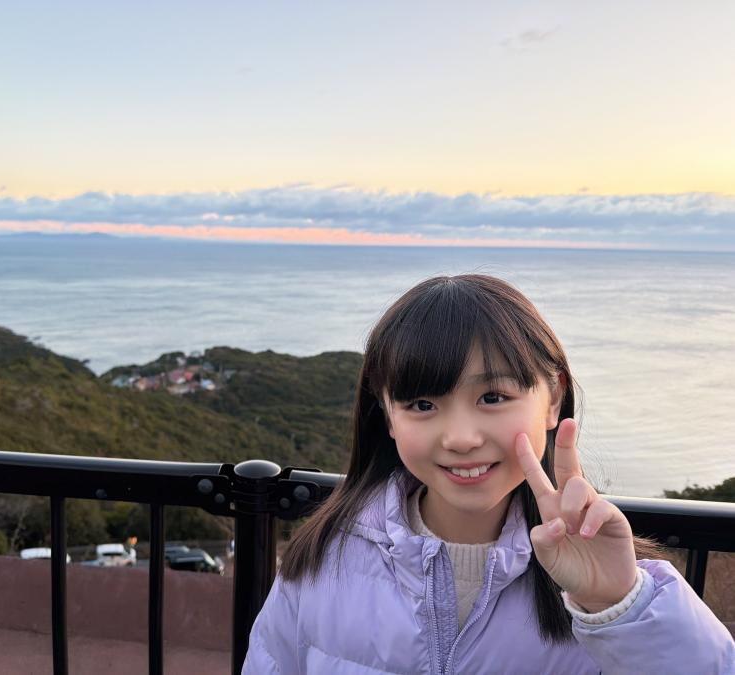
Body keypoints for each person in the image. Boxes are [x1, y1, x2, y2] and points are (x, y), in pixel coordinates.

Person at [242, 275, 734, 674]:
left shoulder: (612, 578)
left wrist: (617, 605)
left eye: (493, 397)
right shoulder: (323, 559)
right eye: (422, 404)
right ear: (387, 416)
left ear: (553, 398)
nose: (460, 437)